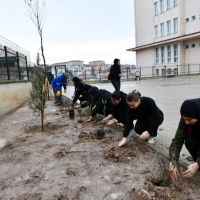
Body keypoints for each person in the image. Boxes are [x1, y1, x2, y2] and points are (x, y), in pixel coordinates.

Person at [169, 99, 200, 181]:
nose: (186, 122)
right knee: (190, 141)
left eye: (189, 120)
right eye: (184, 119)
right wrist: (173, 162)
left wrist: (198, 164)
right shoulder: (186, 117)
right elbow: (177, 141)